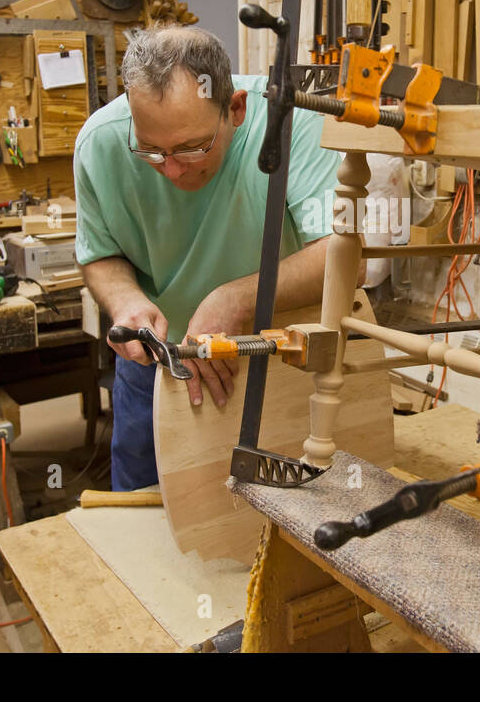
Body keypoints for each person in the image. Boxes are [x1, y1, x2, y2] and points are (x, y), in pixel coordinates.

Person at [73, 26, 340, 490]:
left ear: (234, 108)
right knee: (141, 516)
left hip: (279, 355)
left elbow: (341, 255)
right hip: (159, 363)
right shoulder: (100, 143)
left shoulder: (293, 122)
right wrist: (125, 302)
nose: (171, 169)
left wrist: (238, 299)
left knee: (285, 514)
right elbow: (101, 253)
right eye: (151, 150)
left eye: (191, 147)